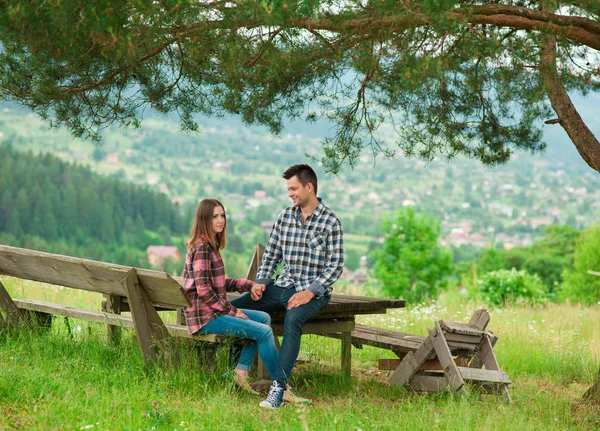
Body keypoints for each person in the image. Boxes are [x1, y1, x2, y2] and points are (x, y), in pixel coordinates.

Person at [231, 164, 344, 404]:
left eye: (293, 188)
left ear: (309, 187)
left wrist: (309, 293)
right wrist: (261, 281)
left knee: (293, 318)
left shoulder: (330, 222)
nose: (290, 193)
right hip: (282, 285)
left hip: (313, 293)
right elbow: (271, 254)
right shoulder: (284, 217)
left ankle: (278, 389)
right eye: (288, 189)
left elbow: (334, 267)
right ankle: (236, 369)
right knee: (237, 306)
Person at [183, 198, 287, 409]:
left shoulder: (210, 246)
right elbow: (204, 290)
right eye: (214, 216)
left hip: (210, 314)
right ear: (204, 219)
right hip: (206, 318)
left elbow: (219, 283)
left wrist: (248, 285)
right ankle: (281, 387)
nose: (220, 220)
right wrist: (233, 311)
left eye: (222, 215)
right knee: (263, 332)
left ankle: (239, 371)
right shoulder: (203, 248)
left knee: (263, 318)